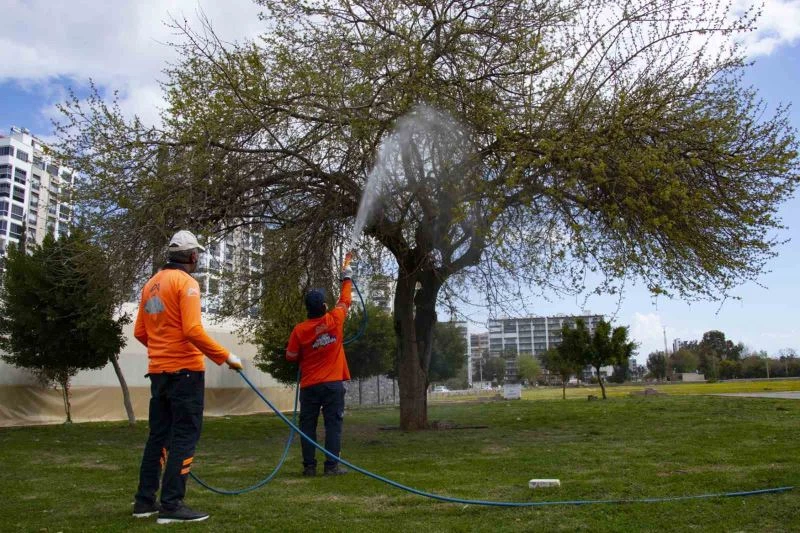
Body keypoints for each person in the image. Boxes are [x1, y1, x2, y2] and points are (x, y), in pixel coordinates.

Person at [132, 230, 243, 524]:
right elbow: (192, 330)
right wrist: (226, 357)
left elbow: (140, 333)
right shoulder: (187, 283)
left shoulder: (149, 285)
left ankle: (145, 502)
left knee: (158, 437)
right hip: (186, 373)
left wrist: (162, 350)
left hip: (159, 373)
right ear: (193, 256)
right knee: (183, 436)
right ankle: (171, 505)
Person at [286, 263, 353, 476]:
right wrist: (347, 279)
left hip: (310, 386)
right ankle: (331, 467)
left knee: (308, 427)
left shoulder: (299, 330)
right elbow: (345, 301)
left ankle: (309, 468)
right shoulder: (335, 319)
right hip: (333, 385)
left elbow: (291, 357)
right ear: (324, 306)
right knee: (333, 425)